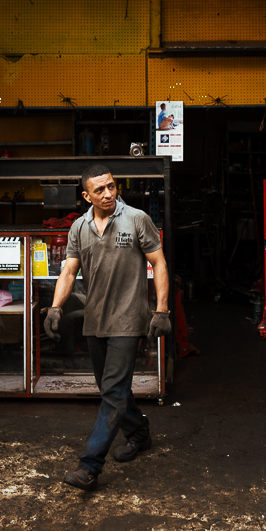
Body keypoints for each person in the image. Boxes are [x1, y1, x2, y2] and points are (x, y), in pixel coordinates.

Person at [44, 163, 171, 491]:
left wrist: (161, 310)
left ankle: (90, 466)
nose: (108, 194)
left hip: (129, 318)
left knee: (113, 391)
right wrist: (56, 307)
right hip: (95, 319)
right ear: (86, 196)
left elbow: (158, 263)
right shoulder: (79, 227)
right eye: (99, 190)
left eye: (111, 186)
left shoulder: (137, 219)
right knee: (111, 388)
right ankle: (139, 433)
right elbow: (69, 271)